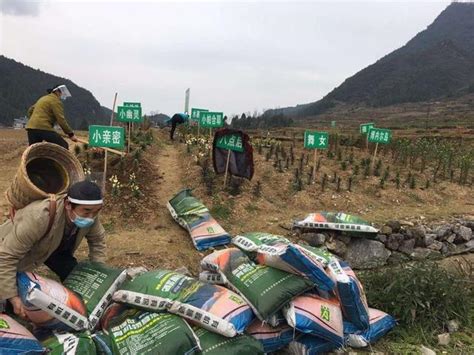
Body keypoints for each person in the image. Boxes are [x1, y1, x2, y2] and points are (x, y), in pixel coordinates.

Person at [0, 180, 106, 319]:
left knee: (77, 276)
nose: (91, 217)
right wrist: (12, 297)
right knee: (10, 302)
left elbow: (97, 240)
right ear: (68, 205)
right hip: (15, 248)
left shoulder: (90, 215)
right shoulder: (39, 217)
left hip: (54, 248)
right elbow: (6, 256)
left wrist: (100, 272)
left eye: (96, 212)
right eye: (86, 211)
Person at [26, 84, 78, 150]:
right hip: (44, 128)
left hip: (31, 128)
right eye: (61, 93)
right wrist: (71, 134)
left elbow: (30, 111)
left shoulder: (43, 98)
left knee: (34, 150)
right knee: (63, 146)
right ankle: (57, 160)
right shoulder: (56, 101)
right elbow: (61, 120)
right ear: (56, 92)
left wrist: (34, 121)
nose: (61, 95)